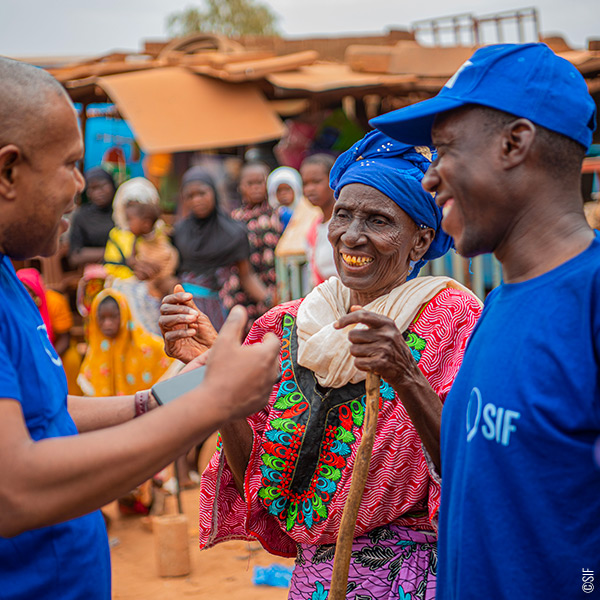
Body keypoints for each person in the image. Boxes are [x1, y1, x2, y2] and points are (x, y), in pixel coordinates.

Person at [159, 130, 483, 599]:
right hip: (315, 581)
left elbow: (470, 467)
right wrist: (219, 381)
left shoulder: (453, 320)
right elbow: (255, 472)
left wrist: (405, 375)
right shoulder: (288, 323)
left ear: (420, 240)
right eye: (343, 215)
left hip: (416, 579)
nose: (352, 235)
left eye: (378, 219)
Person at [0, 57, 280, 599]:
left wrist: (162, 397)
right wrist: (212, 404)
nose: (80, 188)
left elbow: (41, 410)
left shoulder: (9, 274)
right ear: (8, 171)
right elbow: (15, 487)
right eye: (71, 165)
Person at [363, 42, 600, 599]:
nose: (429, 177)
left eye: (443, 150)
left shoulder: (590, 301)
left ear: (514, 143)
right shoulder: (501, 303)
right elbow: (479, 464)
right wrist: (407, 377)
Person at [172, 166, 272, 330]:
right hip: (187, 312)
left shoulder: (234, 233)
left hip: (222, 310)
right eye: (190, 196)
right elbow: (173, 274)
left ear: (213, 192)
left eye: (202, 193)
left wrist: (270, 301)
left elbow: (246, 275)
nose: (197, 200)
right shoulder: (180, 232)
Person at [77, 289, 175, 397]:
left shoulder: (152, 347)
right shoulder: (96, 350)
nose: (107, 323)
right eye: (102, 318)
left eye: (113, 317)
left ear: (124, 315)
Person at [220, 161, 281, 329]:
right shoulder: (234, 219)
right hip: (245, 294)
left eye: (260, 182)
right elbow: (240, 268)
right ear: (240, 187)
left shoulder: (278, 215)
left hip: (275, 290)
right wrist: (267, 298)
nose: (255, 187)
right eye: (250, 183)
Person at [16, 267, 82, 394]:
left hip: (57, 349)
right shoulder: (15, 307)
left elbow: (65, 338)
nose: (25, 295)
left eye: (29, 290)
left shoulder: (55, 302)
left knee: (71, 360)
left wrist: (47, 359)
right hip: (30, 353)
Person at [124, 199, 178, 299]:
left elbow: (168, 256)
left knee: (173, 286)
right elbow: (131, 259)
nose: (128, 225)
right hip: (148, 280)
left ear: (146, 224)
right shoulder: (136, 240)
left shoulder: (162, 236)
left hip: (164, 276)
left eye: (130, 220)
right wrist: (137, 264)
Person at [301, 153, 338, 286]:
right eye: (305, 183)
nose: (309, 189)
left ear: (334, 180)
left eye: (316, 182)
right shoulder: (314, 229)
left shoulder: (347, 223)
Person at [68, 166, 116, 268]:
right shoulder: (82, 216)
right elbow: (75, 256)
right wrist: (112, 253)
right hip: (96, 272)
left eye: (102, 186)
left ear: (112, 185)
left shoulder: (120, 211)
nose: (97, 192)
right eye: (92, 188)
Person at [267, 166, 303, 231]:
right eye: (279, 191)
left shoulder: (305, 210)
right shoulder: (272, 215)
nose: (283, 194)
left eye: (287, 189)